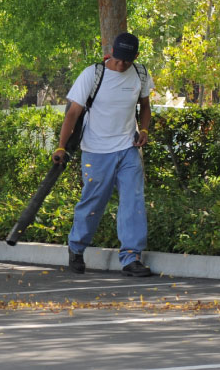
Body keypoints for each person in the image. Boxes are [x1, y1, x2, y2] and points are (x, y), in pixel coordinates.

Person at [52, 32, 154, 277]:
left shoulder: (140, 74)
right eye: (118, 59)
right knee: (93, 203)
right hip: (96, 152)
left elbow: (146, 105)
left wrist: (145, 129)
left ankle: (131, 258)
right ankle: (76, 248)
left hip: (128, 149)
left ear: (135, 58)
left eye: (126, 61)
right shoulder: (92, 74)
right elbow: (72, 114)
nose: (120, 65)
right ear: (111, 53)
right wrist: (61, 146)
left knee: (133, 202)